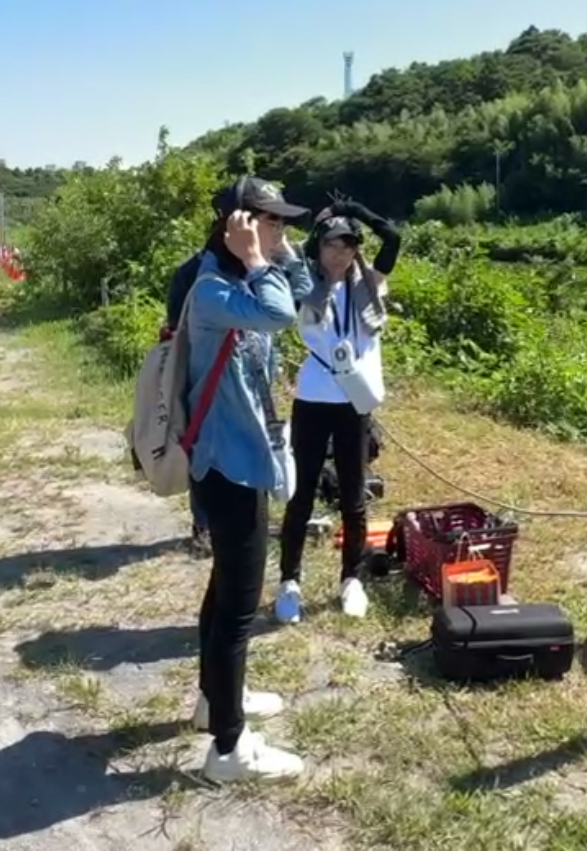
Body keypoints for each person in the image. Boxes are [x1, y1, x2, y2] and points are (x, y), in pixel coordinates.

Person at [182, 175, 316, 782]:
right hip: (228, 464)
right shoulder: (214, 286)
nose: (281, 229)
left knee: (224, 592)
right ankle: (228, 749)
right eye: (271, 219)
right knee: (238, 609)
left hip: (243, 456)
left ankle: (215, 701)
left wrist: (274, 252)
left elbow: (303, 293)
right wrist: (259, 258)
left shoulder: (239, 278)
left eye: (284, 221)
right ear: (237, 223)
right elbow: (282, 314)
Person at [273, 193, 402, 623]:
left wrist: (357, 211)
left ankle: (352, 578)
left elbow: (393, 237)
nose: (341, 252)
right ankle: (289, 582)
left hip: (354, 402)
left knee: (353, 494)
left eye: (349, 244)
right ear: (319, 246)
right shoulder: (304, 284)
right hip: (313, 399)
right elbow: (283, 249)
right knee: (302, 494)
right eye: (332, 243)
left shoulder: (370, 284)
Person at [161, 245, 213, 557]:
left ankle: (215, 526)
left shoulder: (255, 265)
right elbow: (176, 326)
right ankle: (203, 526)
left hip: (237, 376)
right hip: (199, 376)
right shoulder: (193, 271)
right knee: (201, 448)